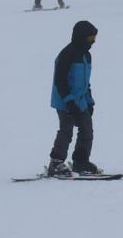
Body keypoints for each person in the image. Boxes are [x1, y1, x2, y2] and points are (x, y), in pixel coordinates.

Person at [47, 20, 100, 176]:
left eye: (94, 38)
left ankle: (80, 161)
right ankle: (56, 163)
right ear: (81, 37)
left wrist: (89, 102)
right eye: (90, 39)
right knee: (66, 130)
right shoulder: (67, 54)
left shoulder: (86, 56)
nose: (93, 42)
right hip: (65, 101)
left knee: (87, 130)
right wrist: (69, 101)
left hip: (80, 100)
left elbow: (85, 81)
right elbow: (60, 80)